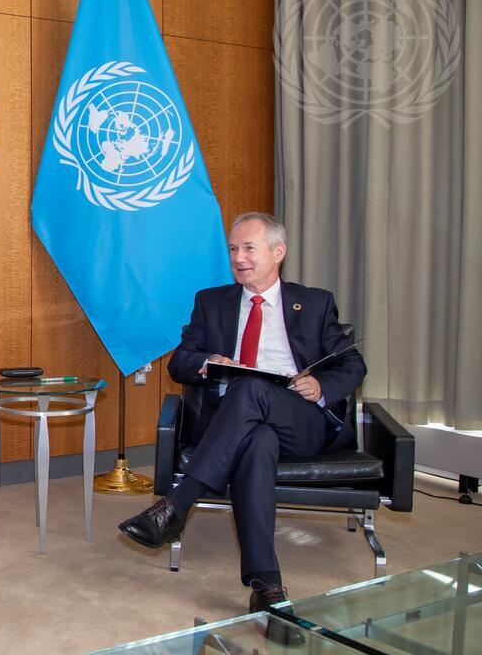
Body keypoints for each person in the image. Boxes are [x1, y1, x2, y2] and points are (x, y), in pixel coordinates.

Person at [117, 212, 366, 619]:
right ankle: (266, 584)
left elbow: (353, 364)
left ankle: (179, 504)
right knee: (256, 441)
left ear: (278, 252)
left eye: (249, 248)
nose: (238, 257)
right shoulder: (211, 302)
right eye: (233, 249)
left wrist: (322, 386)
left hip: (300, 419)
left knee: (252, 388)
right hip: (235, 425)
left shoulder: (315, 303)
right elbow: (179, 362)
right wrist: (207, 362)